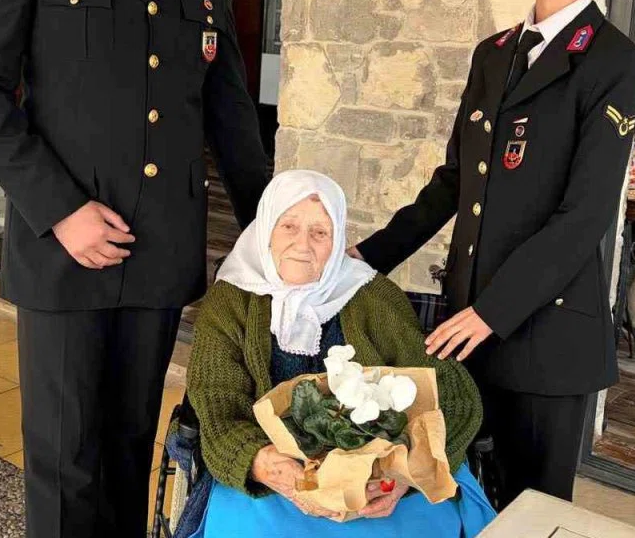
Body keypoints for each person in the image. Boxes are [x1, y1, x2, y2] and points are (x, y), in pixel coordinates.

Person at [0, 0, 269, 535]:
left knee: (130, 449)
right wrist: (62, 210)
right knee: (65, 463)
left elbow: (228, 108)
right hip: (63, 250)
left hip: (158, 251)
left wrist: (271, 224)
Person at [350, 0, 635, 505]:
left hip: (544, 336)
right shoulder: (494, 53)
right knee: (456, 498)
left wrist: (492, 312)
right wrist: (365, 258)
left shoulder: (614, 60)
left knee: (529, 511)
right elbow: (455, 181)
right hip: (468, 326)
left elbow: (585, 215)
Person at [184, 170, 495, 537]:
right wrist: (272, 469)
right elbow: (217, 406)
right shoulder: (229, 301)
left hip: (379, 481)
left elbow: (453, 395)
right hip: (270, 479)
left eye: (320, 232)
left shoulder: (372, 296)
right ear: (265, 229)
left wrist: (403, 476)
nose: (303, 245)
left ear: (338, 242)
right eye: (288, 226)